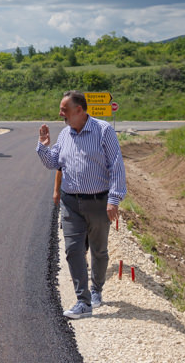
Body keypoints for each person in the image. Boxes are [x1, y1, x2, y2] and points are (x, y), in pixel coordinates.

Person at [37, 91, 127, 319]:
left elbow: (116, 166)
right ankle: (83, 301)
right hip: (71, 203)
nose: (60, 114)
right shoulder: (65, 134)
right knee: (73, 249)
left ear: (80, 110)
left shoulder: (103, 130)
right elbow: (53, 163)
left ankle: (96, 289)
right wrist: (43, 146)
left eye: (64, 109)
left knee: (99, 251)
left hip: (98, 202)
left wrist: (113, 199)